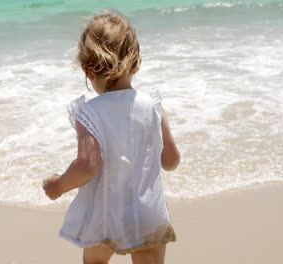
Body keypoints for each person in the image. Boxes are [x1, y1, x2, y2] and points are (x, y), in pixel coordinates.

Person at [43, 10, 180, 264]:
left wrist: (59, 185)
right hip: (149, 212)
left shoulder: (90, 113)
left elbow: (87, 165)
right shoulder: (153, 105)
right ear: (137, 61)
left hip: (105, 216)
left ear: (87, 70)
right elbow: (171, 160)